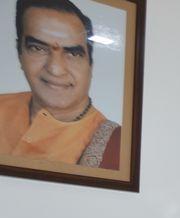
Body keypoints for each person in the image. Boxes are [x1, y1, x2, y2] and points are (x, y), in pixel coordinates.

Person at [0, 0, 120, 169]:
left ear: (90, 65)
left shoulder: (115, 147)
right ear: (20, 54)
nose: (55, 69)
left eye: (73, 53)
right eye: (38, 48)